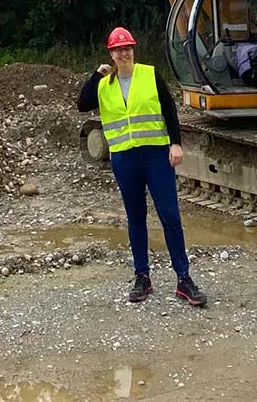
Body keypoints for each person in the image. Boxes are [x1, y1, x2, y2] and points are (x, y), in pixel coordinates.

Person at [77, 26, 208, 307]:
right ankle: (142, 276)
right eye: (118, 49)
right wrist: (95, 75)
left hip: (155, 155)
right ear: (111, 54)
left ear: (133, 51)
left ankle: (184, 279)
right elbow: (82, 104)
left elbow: (168, 108)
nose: (124, 53)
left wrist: (175, 143)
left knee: (170, 215)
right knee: (135, 217)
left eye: (128, 48)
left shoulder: (149, 74)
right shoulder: (103, 84)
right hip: (125, 158)